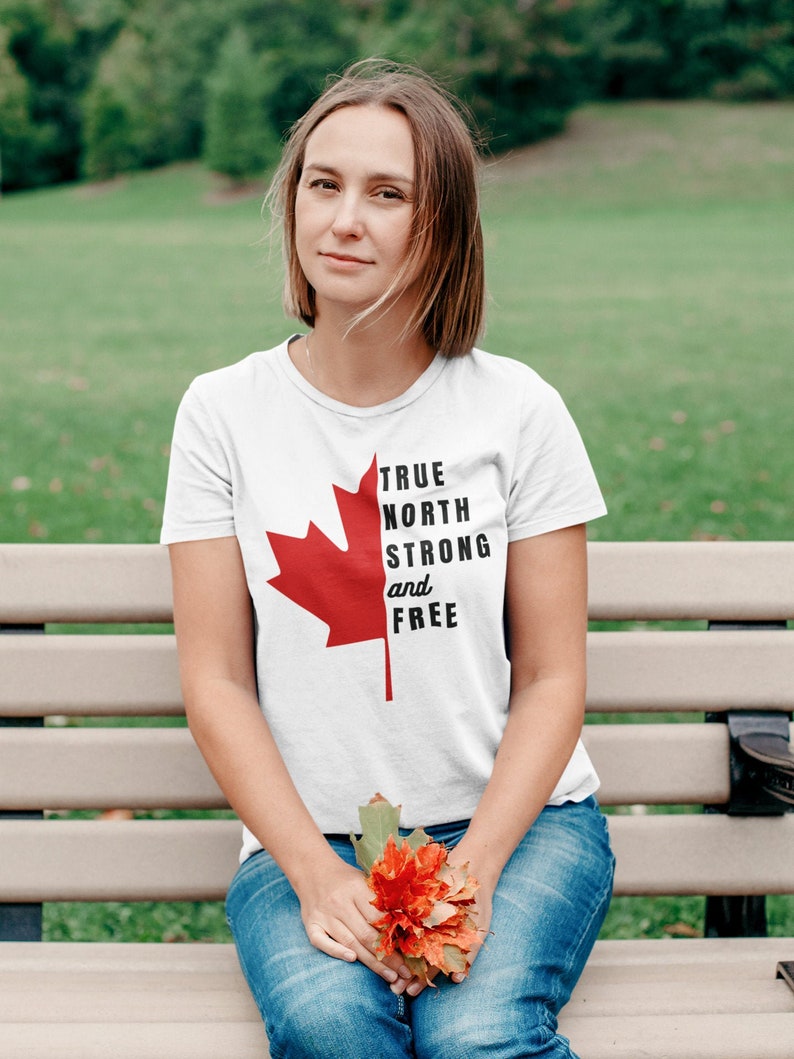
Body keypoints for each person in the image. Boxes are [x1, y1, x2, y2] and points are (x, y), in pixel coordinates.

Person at [161, 59, 615, 1059]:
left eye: (387, 193)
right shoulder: (222, 415)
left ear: (440, 225)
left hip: (517, 829)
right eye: (323, 185)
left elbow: (549, 678)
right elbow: (216, 683)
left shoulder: (517, 411)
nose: (344, 221)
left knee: (476, 1034)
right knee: (332, 1029)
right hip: (309, 840)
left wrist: (475, 871)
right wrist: (318, 879)